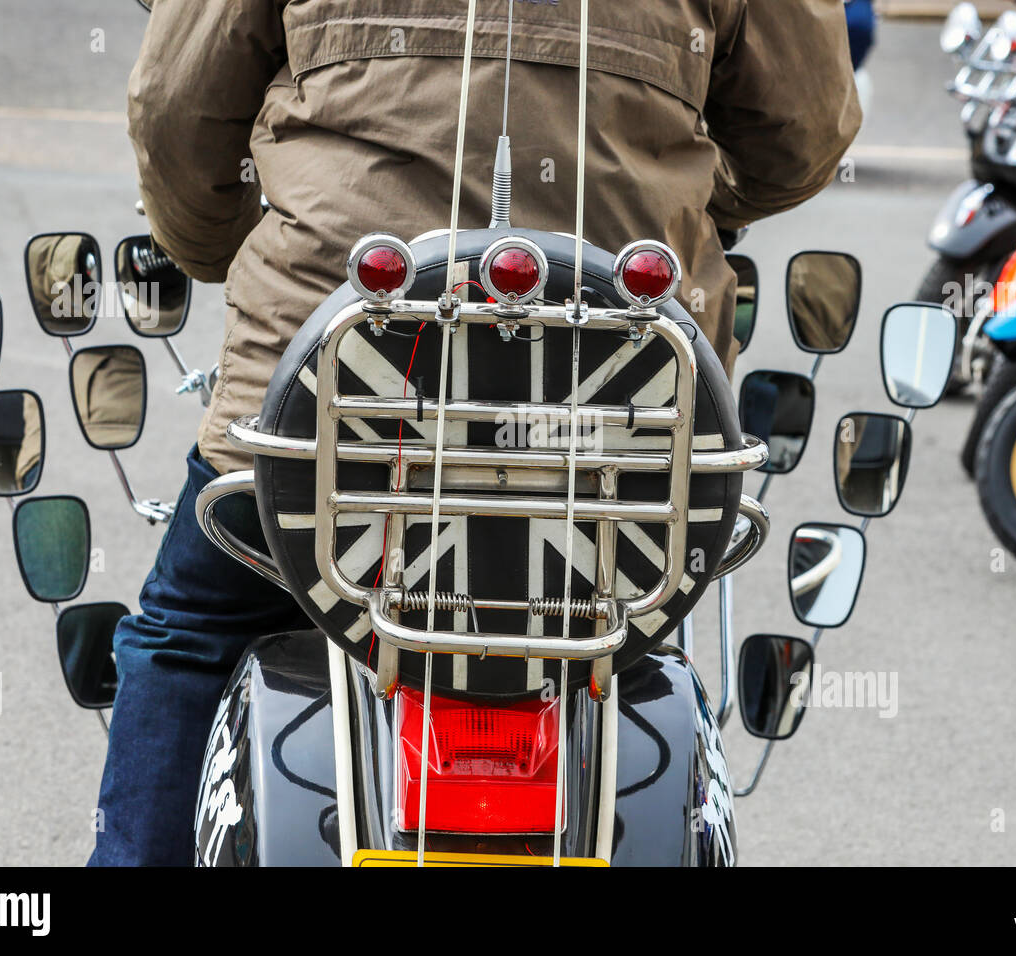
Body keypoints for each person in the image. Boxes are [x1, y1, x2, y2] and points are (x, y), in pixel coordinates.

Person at [92, 0, 860, 865]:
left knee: (189, 634)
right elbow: (803, 133)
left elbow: (174, 109)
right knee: (618, 637)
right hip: (618, 399)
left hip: (332, 382)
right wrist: (673, 200)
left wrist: (224, 247)